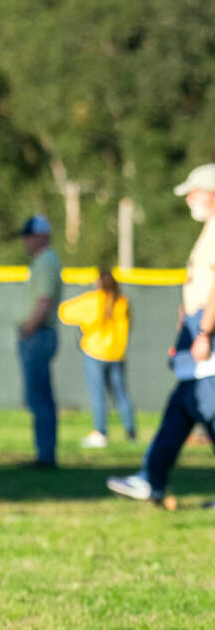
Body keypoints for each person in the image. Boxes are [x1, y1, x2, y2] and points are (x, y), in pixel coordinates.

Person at [108, 163, 215, 508]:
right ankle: (151, 478)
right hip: (197, 325)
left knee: (202, 404)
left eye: (193, 194)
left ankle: (151, 478)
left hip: (207, 329)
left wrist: (204, 331)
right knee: (184, 404)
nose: (188, 201)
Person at [58, 267, 136, 447]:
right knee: (121, 394)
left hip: (96, 353)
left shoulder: (94, 300)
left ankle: (100, 432)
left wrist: (85, 327)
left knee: (97, 394)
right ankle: (131, 432)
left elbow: (64, 311)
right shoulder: (123, 302)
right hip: (118, 354)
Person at [15, 214, 62, 468]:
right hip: (39, 333)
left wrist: (27, 329)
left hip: (38, 334)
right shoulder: (43, 260)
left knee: (40, 398)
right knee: (40, 397)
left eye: (29, 236)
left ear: (42, 237)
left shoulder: (45, 261)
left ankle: (45, 456)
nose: (26, 242)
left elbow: (43, 302)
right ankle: (44, 453)